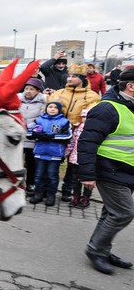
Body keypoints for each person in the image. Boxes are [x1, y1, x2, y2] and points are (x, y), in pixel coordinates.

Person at [77, 67, 134, 275]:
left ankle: (102, 249)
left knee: (111, 212)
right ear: (131, 86)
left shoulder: (130, 106)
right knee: (124, 212)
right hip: (110, 169)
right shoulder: (106, 109)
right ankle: (95, 250)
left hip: (127, 170)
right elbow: (87, 142)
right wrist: (87, 174)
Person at [49, 65, 101, 201]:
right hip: (59, 133)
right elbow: (50, 108)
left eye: (74, 76)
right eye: (69, 76)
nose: (70, 79)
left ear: (82, 79)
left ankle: (67, 190)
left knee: (72, 166)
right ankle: (50, 189)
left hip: (78, 134)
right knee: (54, 162)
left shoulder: (92, 96)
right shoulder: (60, 93)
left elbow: (91, 114)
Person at [27, 101, 71, 206]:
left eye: (55, 107)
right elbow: (28, 132)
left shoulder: (64, 121)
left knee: (52, 176)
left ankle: (51, 196)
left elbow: (68, 136)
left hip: (55, 154)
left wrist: (52, 137)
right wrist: (37, 134)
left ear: (59, 110)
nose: (52, 109)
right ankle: (38, 194)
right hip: (40, 152)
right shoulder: (39, 120)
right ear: (46, 109)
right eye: (50, 107)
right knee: (38, 175)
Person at [18, 77, 47, 196]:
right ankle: (17, 183)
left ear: (38, 91)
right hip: (18, 135)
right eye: (27, 88)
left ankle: (31, 183)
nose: (28, 91)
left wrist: (29, 127)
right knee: (16, 162)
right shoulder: (18, 99)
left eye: (31, 89)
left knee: (31, 162)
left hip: (32, 136)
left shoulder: (42, 102)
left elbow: (41, 118)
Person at [65, 109, 93, 208]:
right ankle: (76, 196)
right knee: (75, 179)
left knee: (87, 179)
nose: (85, 119)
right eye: (83, 117)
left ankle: (86, 197)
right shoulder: (77, 128)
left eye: (87, 117)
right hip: (75, 157)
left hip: (88, 159)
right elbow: (72, 141)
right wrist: (68, 151)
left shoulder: (94, 129)